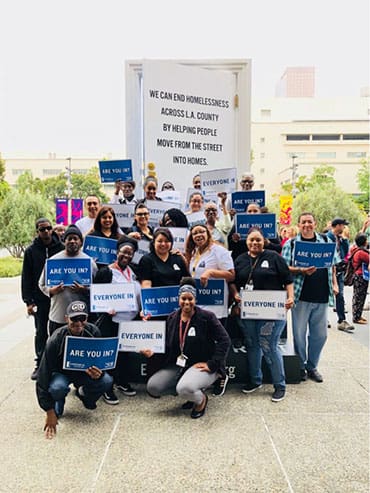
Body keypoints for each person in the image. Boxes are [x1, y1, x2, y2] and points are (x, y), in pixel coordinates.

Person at [143, 277, 231, 419]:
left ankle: (201, 400)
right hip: (179, 363)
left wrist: (212, 364)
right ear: (179, 299)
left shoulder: (207, 317)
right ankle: (189, 394)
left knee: (184, 388)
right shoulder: (172, 318)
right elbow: (166, 346)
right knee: (153, 387)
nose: (187, 302)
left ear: (195, 299)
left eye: (190, 299)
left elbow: (224, 340)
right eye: (183, 298)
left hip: (201, 364)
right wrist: (152, 354)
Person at [230, 228, 294, 402]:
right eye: (251, 240)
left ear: (264, 241)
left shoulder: (274, 257)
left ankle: (279, 385)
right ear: (246, 241)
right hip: (248, 311)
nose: (254, 243)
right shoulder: (241, 259)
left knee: (269, 346)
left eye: (258, 240)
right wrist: (235, 295)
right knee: (252, 344)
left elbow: (288, 280)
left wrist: (290, 298)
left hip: (272, 311)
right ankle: (255, 380)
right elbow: (233, 282)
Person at [36, 300, 113, 439]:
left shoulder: (94, 331)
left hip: (85, 373)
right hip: (61, 374)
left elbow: (101, 364)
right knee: (57, 388)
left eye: (82, 318)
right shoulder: (55, 339)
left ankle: (84, 394)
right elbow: (43, 375)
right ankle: (58, 400)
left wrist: (99, 374)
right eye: (74, 318)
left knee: (106, 381)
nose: (78, 323)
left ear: (87, 318)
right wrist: (48, 410)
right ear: (66, 319)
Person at [282, 212, 339, 383]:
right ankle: (300, 366)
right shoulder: (292, 244)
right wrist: (300, 270)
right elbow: (284, 268)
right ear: (298, 225)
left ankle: (312, 366)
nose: (307, 225)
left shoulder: (327, 242)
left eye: (310, 222)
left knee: (320, 335)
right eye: (303, 222)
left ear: (315, 224)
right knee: (299, 335)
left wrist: (335, 284)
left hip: (322, 296)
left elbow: (333, 266)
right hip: (301, 296)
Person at [185, 223, 234, 396]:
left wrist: (212, 272)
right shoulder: (194, 254)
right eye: (194, 233)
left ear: (208, 233)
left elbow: (231, 274)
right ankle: (206, 377)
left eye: (201, 232)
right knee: (204, 342)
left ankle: (222, 374)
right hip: (199, 305)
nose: (198, 235)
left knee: (218, 341)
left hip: (216, 304)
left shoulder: (218, 251)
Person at [93, 237, 140, 404]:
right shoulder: (106, 272)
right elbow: (96, 296)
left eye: (130, 253)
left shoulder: (133, 271)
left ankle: (121, 382)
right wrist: (105, 309)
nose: (126, 255)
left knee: (124, 354)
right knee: (110, 355)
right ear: (117, 252)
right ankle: (107, 388)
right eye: (124, 252)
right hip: (111, 321)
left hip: (129, 321)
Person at [21, 218, 64, 380]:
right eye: (42, 229)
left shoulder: (60, 248)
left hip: (58, 298)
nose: (46, 232)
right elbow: (26, 277)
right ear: (37, 232)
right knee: (40, 332)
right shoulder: (31, 251)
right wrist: (28, 301)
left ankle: (57, 364)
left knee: (58, 332)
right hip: (40, 299)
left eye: (48, 228)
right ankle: (40, 364)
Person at [39, 224, 98, 334]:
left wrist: (84, 290)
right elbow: (41, 284)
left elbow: (98, 289)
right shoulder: (53, 261)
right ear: (64, 241)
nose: (72, 241)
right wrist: (51, 291)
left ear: (81, 242)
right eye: (69, 238)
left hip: (81, 320)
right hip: (58, 316)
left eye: (75, 238)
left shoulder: (90, 263)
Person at [326, 218, 354, 331]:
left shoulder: (341, 239)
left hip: (340, 270)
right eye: (343, 225)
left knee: (340, 295)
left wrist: (345, 241)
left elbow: (346, 253)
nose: (344, 228)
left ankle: (341, 320)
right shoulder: (327, 237)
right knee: (326, 295)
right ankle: (324, 318)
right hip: (329, 270)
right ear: (337, 226)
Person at [350, 233, 369, 324]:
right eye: (366, 240)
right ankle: (356, 317)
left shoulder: (356, 250)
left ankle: (358, 315)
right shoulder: (361, 252)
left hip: (359, 276)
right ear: (364, 242)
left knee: (358, 296)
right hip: (361, 276)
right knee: (359, 297)